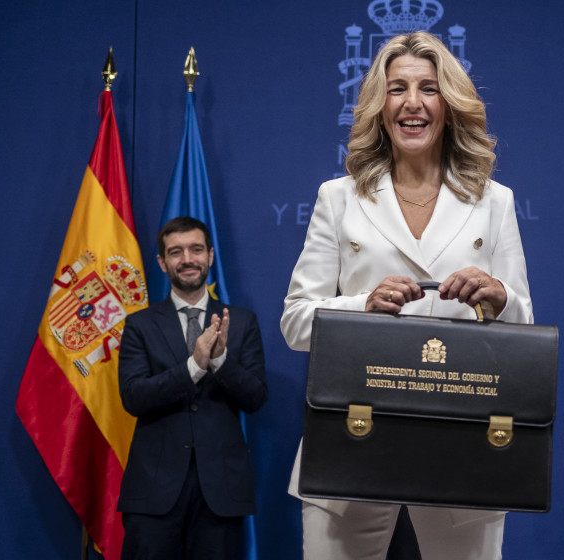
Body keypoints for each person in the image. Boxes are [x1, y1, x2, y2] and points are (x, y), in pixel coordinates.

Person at [280, 31, 533, 560]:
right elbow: (297, 323)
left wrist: (499, 296)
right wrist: (363, 305)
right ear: (379, 105)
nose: (412, 103)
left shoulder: (494, 201)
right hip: (353, 433)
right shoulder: (338, 197)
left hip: (461, 438)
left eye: (428, 88)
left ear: (450, 105)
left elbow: (524, 330)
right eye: (397, 89)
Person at [117, 216, 268, 559]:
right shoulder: (139, 325)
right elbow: (134, 397)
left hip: (221, 491)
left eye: (196, 249)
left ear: (210, 256)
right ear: (161, 262)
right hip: (154, 489)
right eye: (176, 252)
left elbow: (256, 397)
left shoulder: (242, 322)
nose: (187, 259)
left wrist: (220, 360)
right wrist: (196, 365)